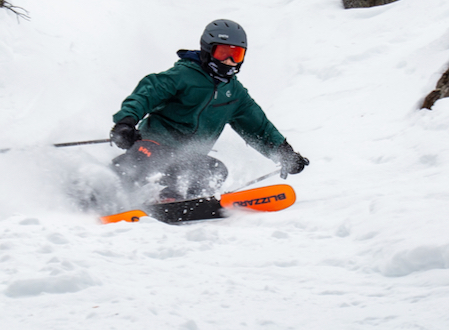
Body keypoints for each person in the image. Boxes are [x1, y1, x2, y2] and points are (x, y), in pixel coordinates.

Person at [109, 19, 309, 200]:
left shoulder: (235, 93)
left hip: (185, 159)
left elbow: (259, 127)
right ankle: (105, 190)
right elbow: (148, 92)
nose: (229, 61)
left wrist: (285, 154)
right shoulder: (183, 75)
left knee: (215, 170)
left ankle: (175, 201)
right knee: (147, 159)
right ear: (207, 50)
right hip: (152, 146)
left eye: (236, 55)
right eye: (223, 53)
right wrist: (126, 122)